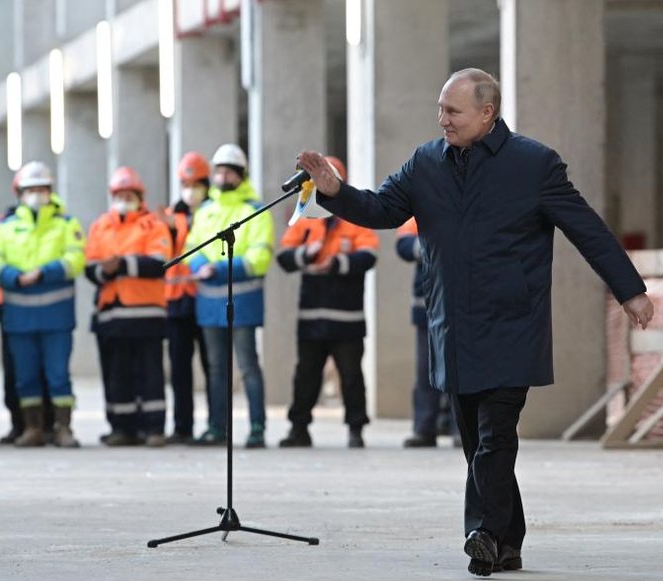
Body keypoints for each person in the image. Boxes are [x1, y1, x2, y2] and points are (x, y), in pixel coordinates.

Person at [297, 68, 654, 576]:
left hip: (513, 321)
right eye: (441, 109)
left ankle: (482, 532)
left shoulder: (535, 165)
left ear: (488, 113)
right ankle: (508, 541)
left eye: (452, 111)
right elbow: (382, 209)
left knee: (495, 436)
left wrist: (631, 290)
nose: (441, 119)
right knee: (476, 444)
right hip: (454, 327)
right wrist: (336, 193)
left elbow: (587, 230)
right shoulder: (425, 162)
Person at [276, 156, 378, 449]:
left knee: (351, 376)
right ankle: (299, 428)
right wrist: (308, 255)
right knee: (306, 375)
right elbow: (284, 257)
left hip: (347, 316)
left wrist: (336, 263)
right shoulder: (305, 216)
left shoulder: (355, 215)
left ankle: (356, 429)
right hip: (311, 315)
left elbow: (369, 255)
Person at [0, 161, 85, 447]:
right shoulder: (6, 227)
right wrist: (13, 277)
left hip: (56, 317)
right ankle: (33, 428)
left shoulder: (65, 224)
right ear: (20, 193)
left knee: (58, 376)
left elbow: (76, 258)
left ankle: (63, 428)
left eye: (42, 189)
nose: (37, 195)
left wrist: (45, 272)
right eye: (31, 190)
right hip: (19, 316)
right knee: (25, 376)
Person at [185, 143, 274, 449]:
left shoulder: (254, 210)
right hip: (209, 303)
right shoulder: (206, 211)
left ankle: (257, 427)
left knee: (248, 366)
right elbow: (190, 247)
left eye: (228, 171)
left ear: (240, 174)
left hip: (242, 301)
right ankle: (216, 427)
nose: (222, 176)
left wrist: (220, 268)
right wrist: (200, 264)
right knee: (216, 369)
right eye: (218, 171)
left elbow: (259, 258)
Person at [85, 166, 171, 447]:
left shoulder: (152, 225)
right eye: (119, 194)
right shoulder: (101, 226)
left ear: (139, 196)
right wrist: (106, 270)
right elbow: (90, 267)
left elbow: (159, 263)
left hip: (146, 314)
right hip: (111, 314)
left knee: (150, 374)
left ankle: (153, 429)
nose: (124, 198)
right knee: (116, 374)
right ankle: (122, 429)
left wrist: (121, 264)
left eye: (129, 193)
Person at [157, 151, 212, 444]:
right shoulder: (169, 217)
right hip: (177, 301)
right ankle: (182, 427)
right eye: (185, 184)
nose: (190, 190)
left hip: (206, 299)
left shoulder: (215, 212)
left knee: (212, 367)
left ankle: (217, 424)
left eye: (196, 184)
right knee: (179, 369)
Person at [396, 217, 459, 448]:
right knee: (426, 372)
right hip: (427, 307)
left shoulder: (467, 202)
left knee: (459, 370)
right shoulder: (421, 207)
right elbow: (403, 245)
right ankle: (424, 429)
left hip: (461, 308)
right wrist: (438, 246)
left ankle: (460, 430)